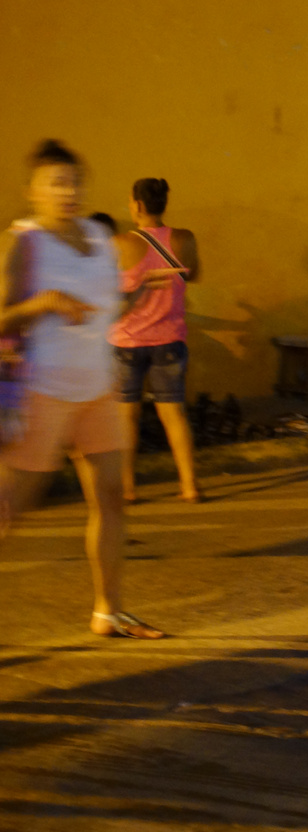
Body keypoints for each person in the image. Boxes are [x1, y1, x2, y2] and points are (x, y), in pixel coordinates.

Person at [0, 140, 166, 638]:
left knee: (111, 499)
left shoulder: (98, 235)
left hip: (97, 388)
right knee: (9, 511)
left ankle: (108, 611)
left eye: (74, 181)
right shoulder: (25, 243)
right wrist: (42, 303)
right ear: (33, 191)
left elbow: (105, 309)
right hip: (43, 391)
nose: (67, 191)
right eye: (55, 182)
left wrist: (138, 296)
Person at [109, 178, 203, 503]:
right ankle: (190, 486)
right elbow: (195, 274)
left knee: (125, 417)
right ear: (163, 203)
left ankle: (128, 489)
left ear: (136, 205)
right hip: (170, 340)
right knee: (174, 415)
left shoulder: (119, 243)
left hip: (125, 341)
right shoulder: (184, 238)